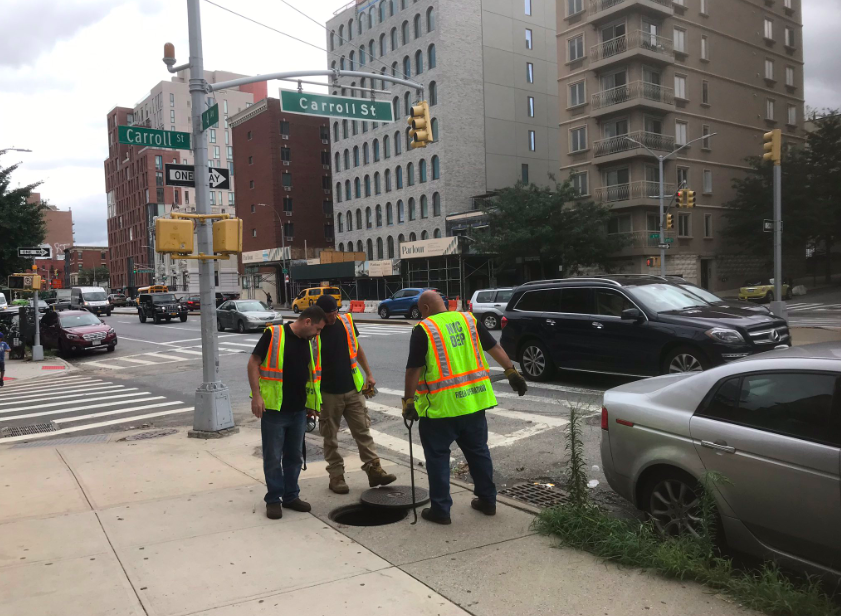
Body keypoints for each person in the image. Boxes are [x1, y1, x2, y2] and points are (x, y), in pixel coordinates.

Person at [402, 290, 527, 525]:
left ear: (425, 309)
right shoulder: (468, 320)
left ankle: (441, 510)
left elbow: (413, 369)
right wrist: (512, 371)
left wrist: (408, 401)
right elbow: (494, 348)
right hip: (473, 403)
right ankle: (488, 501)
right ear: (445, 304)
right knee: (479, 453)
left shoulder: (424, 329)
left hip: (441, 409)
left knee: (437, 457)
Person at [248, 306, 326, 520]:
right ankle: (274, 499)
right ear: (308, 321)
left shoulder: (309, 342)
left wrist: (311, 405)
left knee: (294, 456)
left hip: (299, 411)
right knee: (273, 457)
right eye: (318, 329)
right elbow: (253, 363)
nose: (318, 334)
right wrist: (257, 396)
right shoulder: (274, 335)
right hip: (275, 410)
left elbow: (310, 376)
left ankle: (291, 496)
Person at [314, 294, 396, 494]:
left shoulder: (346, 322)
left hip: (352, 389)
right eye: (329, 315)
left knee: (363, 431)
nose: (333, 318)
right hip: (327, 393)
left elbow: (357, 348)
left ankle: (374, 470)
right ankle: (336, 476)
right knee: (330, 437)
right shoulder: (313, 329)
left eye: (335, 312)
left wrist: (369, 373)